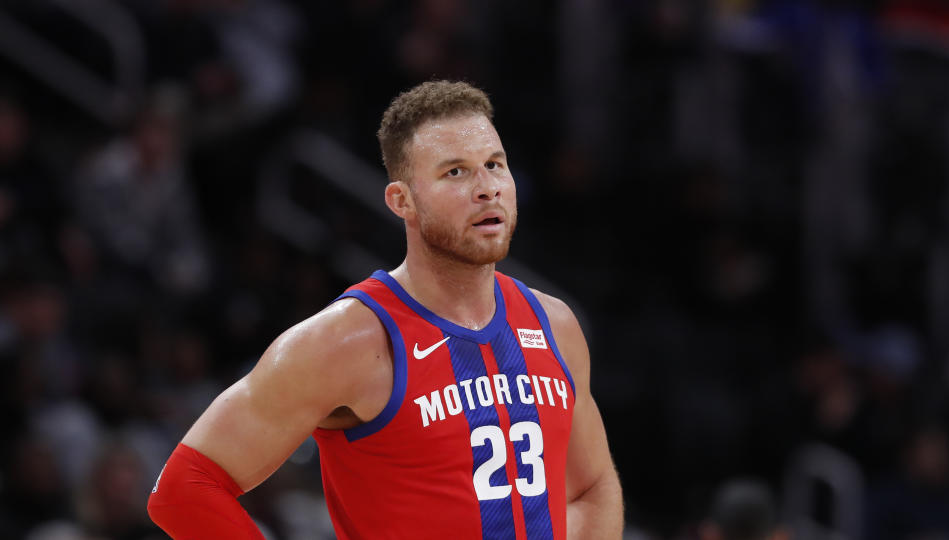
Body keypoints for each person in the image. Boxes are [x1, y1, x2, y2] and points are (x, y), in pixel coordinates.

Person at [147, 80, 623, 539]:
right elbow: (183, 490)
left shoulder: (555, 324)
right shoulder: (347, 340)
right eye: (455, 171)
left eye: (495, 165)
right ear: (402, 201)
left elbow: (592, 487)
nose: (487, 188)